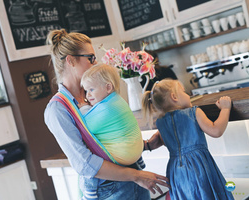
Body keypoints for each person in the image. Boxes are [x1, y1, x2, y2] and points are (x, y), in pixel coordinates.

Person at [44, 29, 170, 200]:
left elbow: (110, 137)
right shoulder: (57, 110)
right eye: (90, 58)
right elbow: (86, 164)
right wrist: (136, 176)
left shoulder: (94, 93)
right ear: (71, 60)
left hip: (133, 178)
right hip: (108, 189)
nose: (95, 63)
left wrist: (146, 145)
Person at [141, 79, 234, 200]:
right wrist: (225, 109)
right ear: (174, 97)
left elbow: (168, 142)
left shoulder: (160, 122)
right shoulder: (194, 112)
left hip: (176, 171)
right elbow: (216, 131)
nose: (188, 95)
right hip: (198, 166)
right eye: (184, 92)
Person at [80, 63, 144, 167]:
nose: (88, 95)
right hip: (134, 154)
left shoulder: (106, 108)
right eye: (86, 90)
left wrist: (83, 108)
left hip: (122, 156)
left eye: (91, 89)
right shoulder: (117, 100)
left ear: (108, 87)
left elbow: (84, 126)